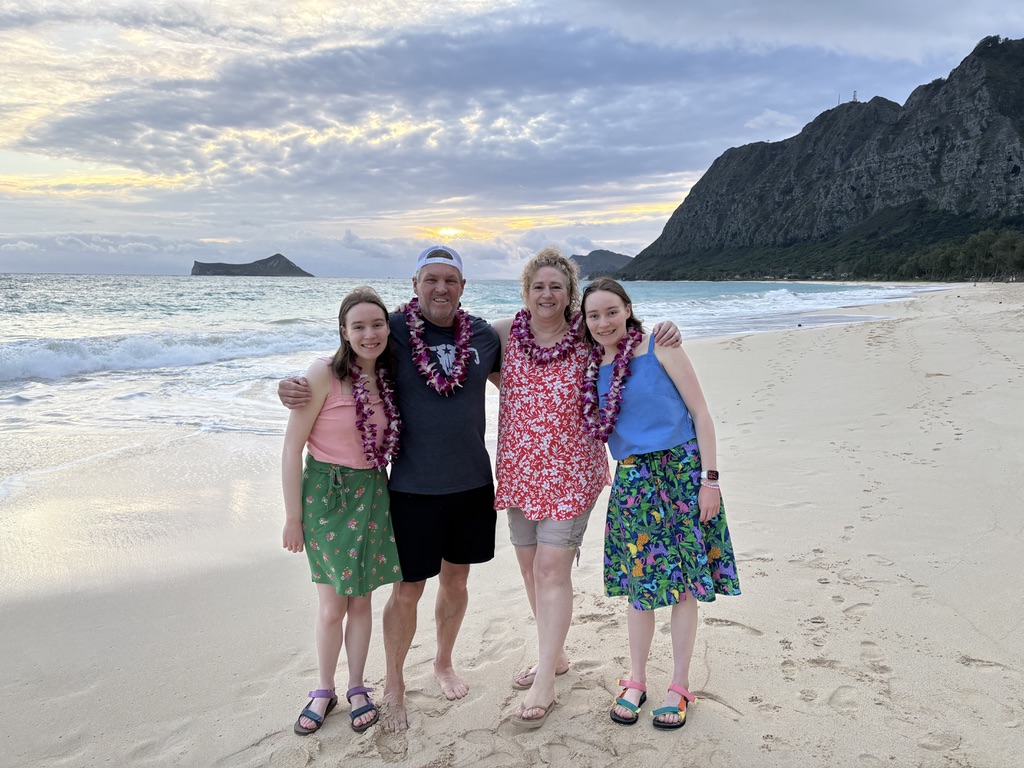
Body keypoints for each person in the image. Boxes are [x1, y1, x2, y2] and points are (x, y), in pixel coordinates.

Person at [279, 246, 502, 732]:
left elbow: (536, 355)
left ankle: (443, 662)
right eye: (431, 279)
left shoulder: (484, 335)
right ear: (415, 284)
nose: (440, 288)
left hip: (472, 484)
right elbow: (348, 355)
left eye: (450, 280)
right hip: (410, 488)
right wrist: (289, 388)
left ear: (463, 287)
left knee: (457, 581)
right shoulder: (393, 330)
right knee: (407, 590)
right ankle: (394, 683)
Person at [489, 248, 681, 728]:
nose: (547, 294)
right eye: (538, 286)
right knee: (532, 569)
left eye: (557, 286)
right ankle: (552, 656)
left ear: (570, 293)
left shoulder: (585, 336)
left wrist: (667, 331)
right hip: (519, 467)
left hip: (574, 469)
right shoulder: (503, 334)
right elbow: (430, 335)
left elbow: (623, 330)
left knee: (553, 569)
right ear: (525, 292)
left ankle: (546, 684)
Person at [580, 277, 740, 730]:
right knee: (641, 584)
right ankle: (635, 680)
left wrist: (711, 481)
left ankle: (679, 684)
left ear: (628, 309)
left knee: (684, 582)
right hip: (632, 480)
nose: (603, 322)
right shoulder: (589, 364)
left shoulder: (659, 346)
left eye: (611, 311)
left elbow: (701, 413)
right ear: (585, 321)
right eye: (593, 315)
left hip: (683, 473)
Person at [281, 286, 403, 736]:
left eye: (377, 325)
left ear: (388, 329)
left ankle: (356, 686)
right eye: (359, 326)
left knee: (363, 599)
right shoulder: (321, 375)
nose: (369, 334)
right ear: (344, 331)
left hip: (373, 492)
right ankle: (324, 688)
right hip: (326, 497)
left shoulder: (389, 376)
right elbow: (292, 448)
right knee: (333, 604)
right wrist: (293, 517)